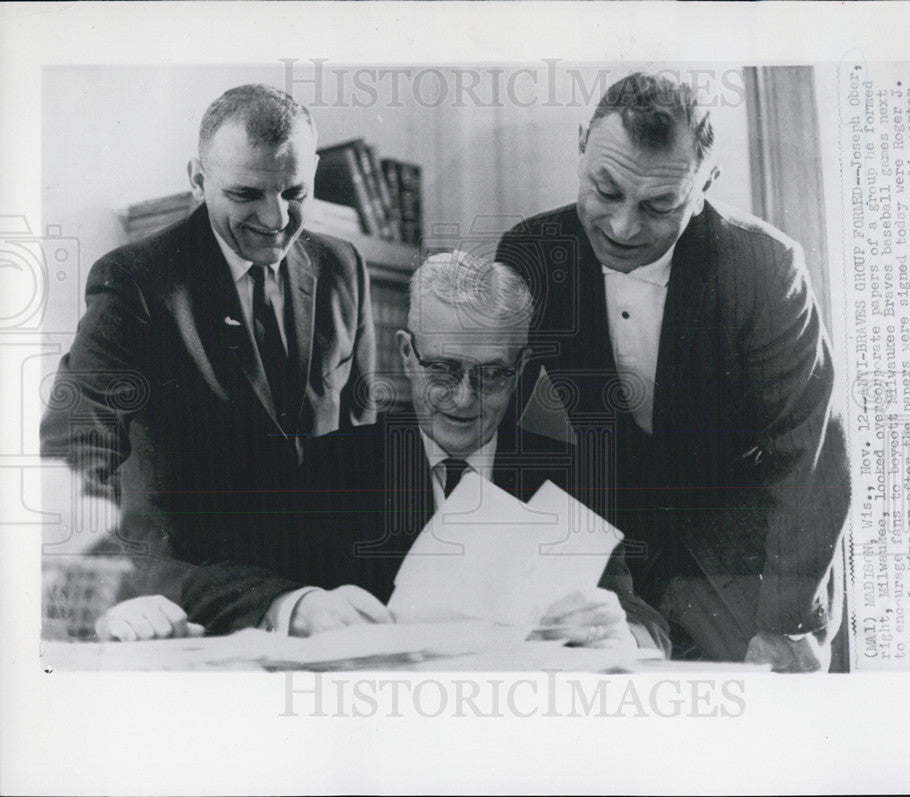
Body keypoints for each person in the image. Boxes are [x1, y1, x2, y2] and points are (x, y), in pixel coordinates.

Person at [102, 252, 671, 654]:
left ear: (520, 368)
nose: (464, 399)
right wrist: (298, 606)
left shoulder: (568, 476)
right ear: (405, 353)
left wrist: (622, 632)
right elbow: (215, 579)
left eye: (492, 375)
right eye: (443, 369)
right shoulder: (331, 467)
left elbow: (642, 617)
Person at [495, 72, 850, 672]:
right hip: (596, 555)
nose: (623, 227)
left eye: (661, 205)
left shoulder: (766, 266)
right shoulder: (529, 254)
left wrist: (787, 622)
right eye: (605, 191)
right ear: (582, 146)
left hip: (741, 572)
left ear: (707, 183)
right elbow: (510, 437)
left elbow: (811, 458)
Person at [40, 84, 376, 605]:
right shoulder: (136, 281)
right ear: (199, 180)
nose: (276, 220)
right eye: (246, 194)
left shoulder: (342, 268)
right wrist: (109, 595)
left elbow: (363, 448)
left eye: (294, 193)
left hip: (325, 602)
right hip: (193, 600)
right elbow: (73, 460)